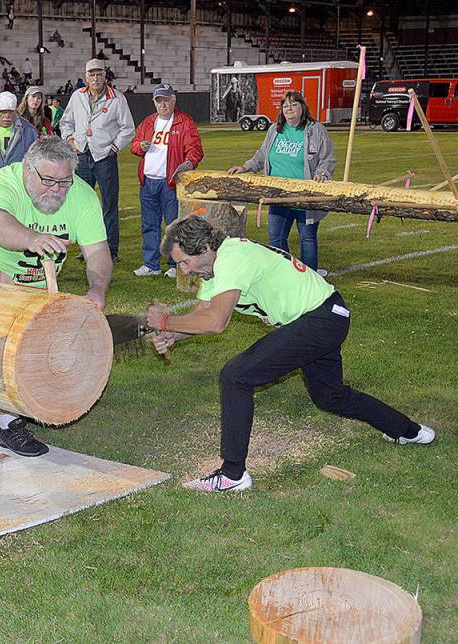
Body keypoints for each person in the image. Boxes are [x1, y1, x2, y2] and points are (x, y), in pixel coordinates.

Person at [144, 216, 435, 493]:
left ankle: (233, 474)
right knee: (330, 396)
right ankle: (407, 430)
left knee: (235, 376)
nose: (183, 270)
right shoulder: (214, 268)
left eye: (184, 261)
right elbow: (203, 312)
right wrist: (174, 335)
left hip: (320, 318)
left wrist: (167, 322)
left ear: (205, 248)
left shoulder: (232, 258)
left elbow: (216, 322)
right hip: (325, 315)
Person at [0, 137, 112, 456]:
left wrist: (97, 289)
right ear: (26, 169)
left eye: (64, 182)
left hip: (27, 287)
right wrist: (32, 238)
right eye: (47, 180)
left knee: (23, 350)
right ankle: (7, 422)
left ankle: (2, 412)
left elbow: (98, 251)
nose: (56, 189)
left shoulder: (83, 197)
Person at [229, 91, 335, 275]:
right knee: (276, 238)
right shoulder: (275, 129)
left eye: (294, 105)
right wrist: (245, 167)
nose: (289, 109)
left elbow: (328, 158)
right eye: (285, 106)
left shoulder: (315, 129)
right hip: (277, 195)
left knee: (307, 238)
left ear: (303, 107)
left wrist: (322, 173)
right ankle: (283, 274)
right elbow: (262, 155)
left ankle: (310, 277)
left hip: (305, 194)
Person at [59, 58, 135, 263]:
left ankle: (111, 250)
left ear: (105, 75)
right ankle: (86, 248)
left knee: (109, 204)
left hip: (104, 159)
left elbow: (128, 128)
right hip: (82, 157)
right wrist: (70, 140)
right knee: (83, 205)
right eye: (91, 74)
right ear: (86, 77)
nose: (95, 77)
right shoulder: (77, 96)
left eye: (99, 73)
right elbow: (65, 122)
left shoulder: (117, 98)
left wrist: (114, 147)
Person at [128, 84, 204, 278]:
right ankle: (151, 264)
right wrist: (140, 147)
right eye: (159, 100)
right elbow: (134, 144)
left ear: (174, 100)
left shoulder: (184, 122)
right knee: (149, 225)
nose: (163, 104)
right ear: (154, 102)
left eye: (166, 99)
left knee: (173, 225)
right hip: (148, 182)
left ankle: (174, 263)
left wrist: (189, 162)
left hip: (170, 183)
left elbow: (195, 148)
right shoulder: (148, 122)